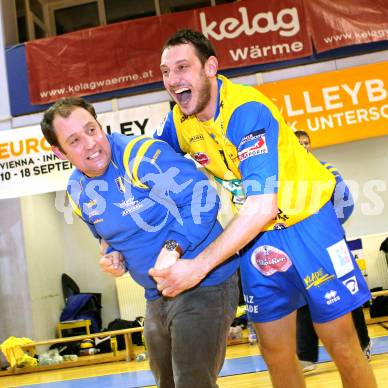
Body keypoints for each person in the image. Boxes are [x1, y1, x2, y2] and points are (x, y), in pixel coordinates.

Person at [148, 29, 377, 388]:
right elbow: (145, 167)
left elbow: (262, 206)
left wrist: (199, 266)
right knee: (275, 352)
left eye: (182, 67)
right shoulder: (179, 122)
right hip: (258, 238)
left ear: (210, 67)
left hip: (308, 223)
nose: (173, 80)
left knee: (342, 345)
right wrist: (108, 239)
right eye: (165, 71)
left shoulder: (246, 109)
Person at [40, 97, 239, 388]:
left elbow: (203, 197)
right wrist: (111, 257)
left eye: (92, 130)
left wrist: (173, 248)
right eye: (75, 140)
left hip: (205, 282)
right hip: (156, 294)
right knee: (167, 382)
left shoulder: (140, 155)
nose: (91, 143)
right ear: (59, 152)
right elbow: (106, 240)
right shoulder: (77, 191)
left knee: (193, 381)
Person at [295, 130, 372, 372]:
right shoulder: (284, 176)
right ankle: (306, 356)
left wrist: (325, 229)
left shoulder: (327, 170)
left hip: (333, 244)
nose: (303, 146)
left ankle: (363, 344)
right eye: (298, 143)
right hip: (303, 250)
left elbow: (346, 203)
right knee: (306, 297)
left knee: (349, 292)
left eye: (306, 143)